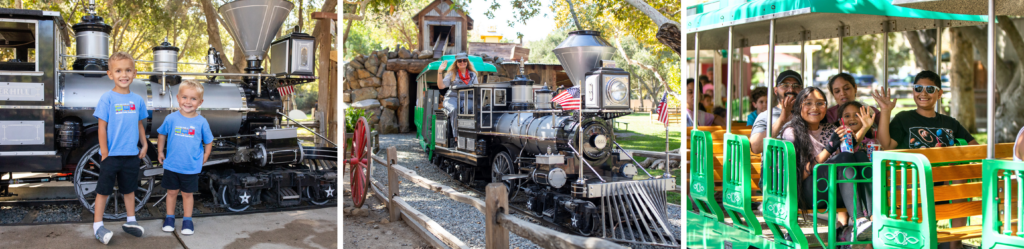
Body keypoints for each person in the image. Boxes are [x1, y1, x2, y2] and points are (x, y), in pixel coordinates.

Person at [91, 52, 148, 244]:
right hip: (111, 156)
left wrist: (145, 143)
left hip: (131, 155)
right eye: (118, 71)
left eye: (128, 70)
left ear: (134, 73)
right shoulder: (106, 98)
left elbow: (140, 124)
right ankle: (98, 225)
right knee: (103, 191)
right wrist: (105, 153)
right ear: (110, 74)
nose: (124, 75)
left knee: (129, 189)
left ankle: (131, 221)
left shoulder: (138, 100)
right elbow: (102, 127)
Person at [157, 80, 214, 236]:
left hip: (190, 167)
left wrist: (206, 154)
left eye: (193, 99)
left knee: (187, 194)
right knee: (171, 193)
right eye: (184, 97)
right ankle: (170, 218)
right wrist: (160, 151)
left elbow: (209, 141)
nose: (188, 102)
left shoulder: (201, 122)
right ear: (178, 98)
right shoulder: (171, 119)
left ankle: (187, 220)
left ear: (200, 102)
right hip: (172, 165)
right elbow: (162, 134)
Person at [818, 101, 877, 243]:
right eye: (847, 116)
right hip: (840, 183)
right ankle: (856, 222)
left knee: (862, 158)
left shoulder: (871, 140)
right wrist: (864, 128)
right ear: (840, 121)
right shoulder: (839, 137)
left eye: (856, 115)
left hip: (861, 185)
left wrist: (865, 128)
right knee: (851, 161)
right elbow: (847, 151)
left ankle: (870, 219)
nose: (852, 119)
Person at [872, 70, 977, 150]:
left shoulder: (950, 123)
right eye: (918, 88)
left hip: (945, 176)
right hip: (913, 177)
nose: (923, 93)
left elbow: (976, 148)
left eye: (930, 89)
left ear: (939, 94)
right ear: (914, 91)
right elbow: (885, 147)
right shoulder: (903, 118)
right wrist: (885, 111)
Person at [750, 70, 804, 154]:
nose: (791, 89)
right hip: (776, 166)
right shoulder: (766, 116)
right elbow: (755, 147)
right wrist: (781, 121)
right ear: (775, 91)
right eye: (785, 85)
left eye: (796, 86)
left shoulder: (807, 114)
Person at [437, 53, 477, 145]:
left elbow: (476, 88)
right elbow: (441, 86)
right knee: (454, 109)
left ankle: (470, 135)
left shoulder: (473, 75)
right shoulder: (452, 74)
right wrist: (439, 72)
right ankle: (456, 137)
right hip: (452, 97)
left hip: (467, 97)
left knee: (469, 108)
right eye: (459, 60)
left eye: (464, 60)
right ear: (456, 63)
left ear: (467, 62)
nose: (462, 62)